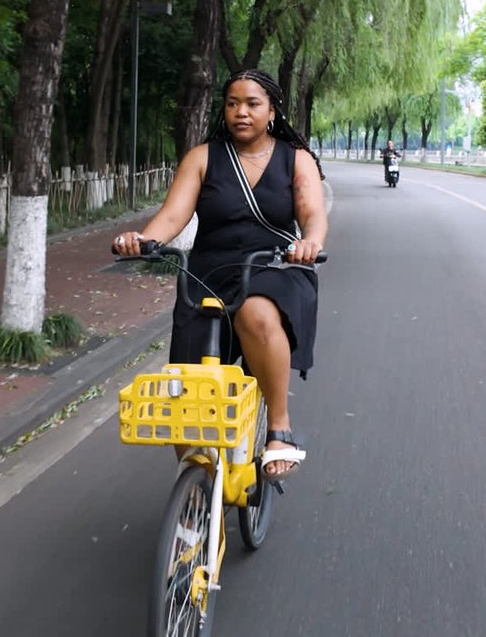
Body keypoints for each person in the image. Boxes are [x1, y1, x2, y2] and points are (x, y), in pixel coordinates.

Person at [113, 70, 327, 479]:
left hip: (276, 266)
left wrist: (310, 243)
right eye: (232, 103)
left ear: (272, 111)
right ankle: (198, 491)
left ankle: (279, 428)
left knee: (256, 312)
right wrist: (143, 239)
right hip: (208, 273)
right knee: (188, 394)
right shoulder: (202, 157)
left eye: (252, 104)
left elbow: (312, 214)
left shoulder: (295, 158)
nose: (241, 112)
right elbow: (172, 216)